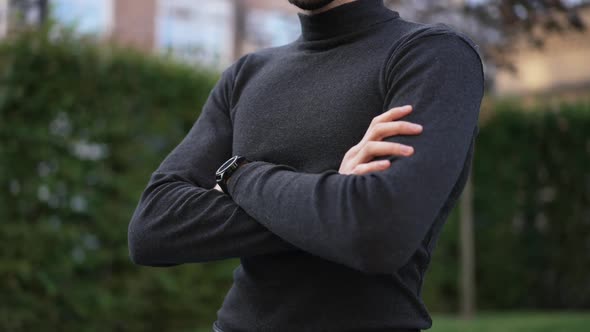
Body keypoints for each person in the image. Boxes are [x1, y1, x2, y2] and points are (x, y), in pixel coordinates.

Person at [127, 0, 485, 331]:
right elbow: (153, 228)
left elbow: (378, 232)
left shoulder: (432, 55)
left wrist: (239, 174)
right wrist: (334, 199)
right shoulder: (246, 75)